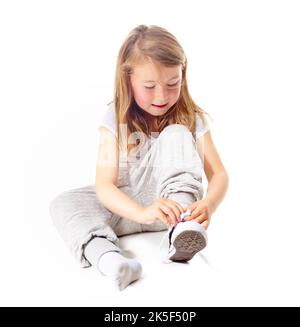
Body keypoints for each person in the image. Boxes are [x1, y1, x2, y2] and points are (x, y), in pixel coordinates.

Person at [49, 24, 229, 291]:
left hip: (174, 210)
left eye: (172, 84)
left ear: (183, 75)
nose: (162, 96)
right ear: (128, 80)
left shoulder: (192, 118)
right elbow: (105, 186)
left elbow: (219, 175)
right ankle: (110, 260)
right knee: (63, 203)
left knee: (177, 133)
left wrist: (209, 205)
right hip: (129, 210)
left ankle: (181, 233)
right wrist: (142, 213)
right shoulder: (114, 119)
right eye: (149, 86)